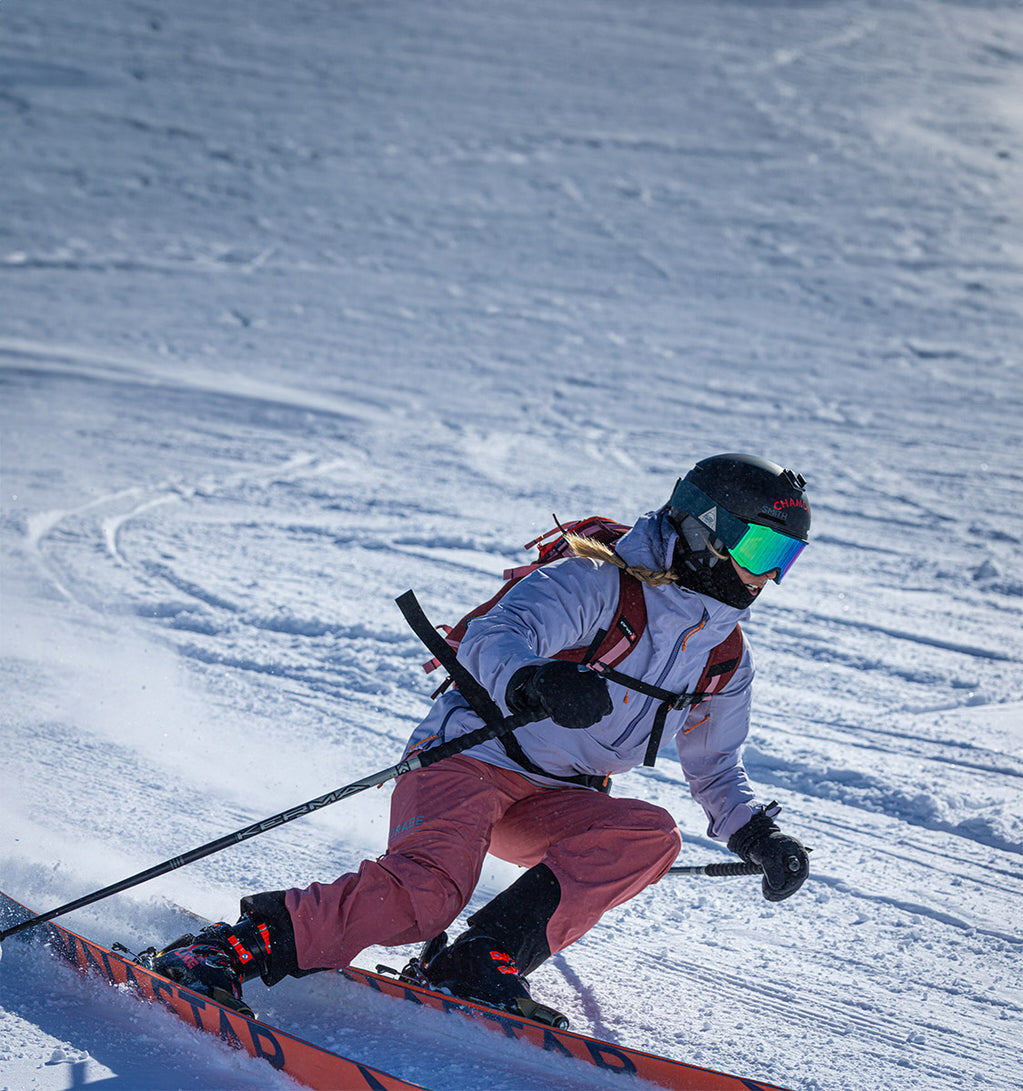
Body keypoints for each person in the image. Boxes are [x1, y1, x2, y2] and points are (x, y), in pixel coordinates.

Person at [144, 453, 812, 1016]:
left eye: (784, 556)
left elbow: (714, 765)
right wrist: (535, 680)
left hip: (554, 795)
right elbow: (495, 636)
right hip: (469, 756)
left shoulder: (722, 654)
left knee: (647, 834)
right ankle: (227, 947)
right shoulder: (595, 580)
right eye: (761, 547)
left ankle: (478, 960)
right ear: (706, 532)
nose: (766, 575)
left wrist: (757, 834)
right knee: (425, 895)